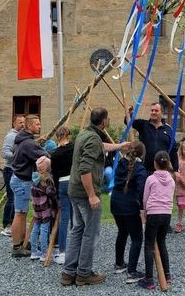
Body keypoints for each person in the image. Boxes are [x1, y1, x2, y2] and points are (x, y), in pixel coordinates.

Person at [61, 107, 129, 287]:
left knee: (77, 229)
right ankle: (83, 273)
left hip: (74, 190)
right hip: (84, 193)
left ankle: (68, 273)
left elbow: (100, 146)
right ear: (104, 121)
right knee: (90, 233)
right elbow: (85, 168)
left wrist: (119, 146)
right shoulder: (92, 138)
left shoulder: (85, 134)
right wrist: (91, 195)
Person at [9, 114, 48, 257]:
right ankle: (16, 246)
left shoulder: (23, 140)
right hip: (22, 181)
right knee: (19, 214)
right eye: (37, 124)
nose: (39, 126)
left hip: (18, 179)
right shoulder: (28, 143)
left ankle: (23, 241)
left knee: (23, 213)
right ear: (30, 126)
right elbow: (45, 156)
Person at [110, 140, 147, 283]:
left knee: (122, 232)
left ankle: (119, 263)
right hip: (129, 205)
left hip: (116, 203)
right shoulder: (140, 169)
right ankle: (132, 271)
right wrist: (143, 209)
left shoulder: (121, 163)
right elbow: (141, 191)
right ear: (142, 154)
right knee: (137, 238)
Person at [137, 151, 175, 291]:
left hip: (154, 213)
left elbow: (145, 198)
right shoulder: (171, 180)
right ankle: (167, 274)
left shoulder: (151, 179)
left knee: (149, 245)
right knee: (162, 242)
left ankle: (149, 279)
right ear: (168, 163)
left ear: (154, 163)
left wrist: (144, 212)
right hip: (167, 214)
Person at [127, 102, 179, 173]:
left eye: (156, 111)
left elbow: (173, 151)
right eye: (152, 110)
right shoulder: (143, 125)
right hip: (144, 169)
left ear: (162, 113)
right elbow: (128, 121)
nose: (153, 112)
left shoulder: (168, 129)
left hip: (162, 170)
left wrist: (175, 170)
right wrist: (129, 112)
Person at [50, 126, 74, 265]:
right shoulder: (73, 148)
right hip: (74, 182)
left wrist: (57, 192)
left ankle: (63, 251)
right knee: (76, 217)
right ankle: (76, 248)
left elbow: (55, 174)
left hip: (62, 183)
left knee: (64, 218)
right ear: (68, 135)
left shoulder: (54, 154)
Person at [1, 114, 25, 236]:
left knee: (16, 198)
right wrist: (19, 155)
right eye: (20, 123)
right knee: (11, 198)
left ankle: (14, 225)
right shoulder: (11, 136)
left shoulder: (21, 136)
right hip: (10, 170)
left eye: (24, 122)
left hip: (17, 170)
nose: (23, 125)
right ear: (14, 123)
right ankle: (7, 226)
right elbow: (5, 153)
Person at [30, 156, 57, 260]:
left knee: (35, 228)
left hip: (36, 207)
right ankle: (44, 253)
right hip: (45, 207)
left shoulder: (34, 177)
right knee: (44, 229)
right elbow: (50, 193)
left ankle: (34, 251)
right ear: (47, 167)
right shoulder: (46, 180)